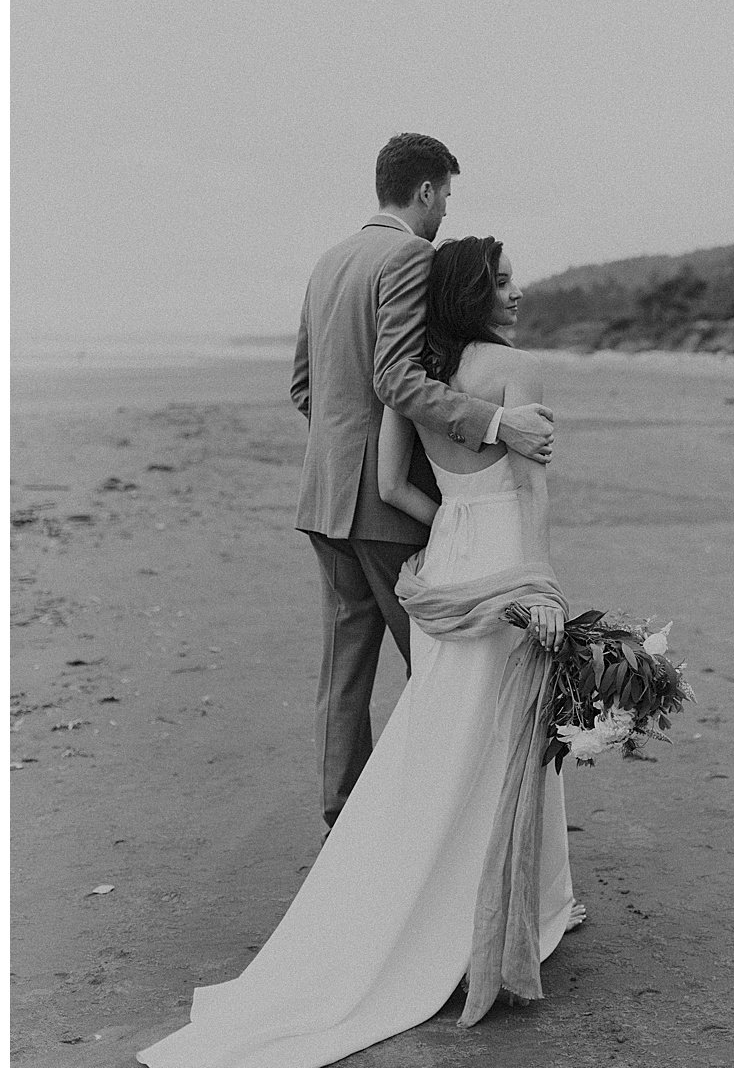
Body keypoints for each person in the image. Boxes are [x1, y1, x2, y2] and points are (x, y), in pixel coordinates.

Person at [140, 237, 583, 1066]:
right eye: (504, 281)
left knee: (437, 729)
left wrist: (448, 525)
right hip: (500, 563)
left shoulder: (410, 383)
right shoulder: (516, 376)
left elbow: (391, 487)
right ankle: (520, 900)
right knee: (508, 734)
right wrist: (538, 585)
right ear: (473, 294)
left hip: (441, 551)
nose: (517, 293)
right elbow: (532, 496)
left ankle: (402, 868)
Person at [288, 133, 554, 831]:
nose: (444, 215)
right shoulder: (410, 254)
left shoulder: (329, 260)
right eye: (447, 197)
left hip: (321, 500)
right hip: (384, 507)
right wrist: (494, 423)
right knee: (445, 671)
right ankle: (433, 832)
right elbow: (397, 380)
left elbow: (303, 388)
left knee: (345, 670)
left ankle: (346, 818)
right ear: (428, 191)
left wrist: (340, 458)